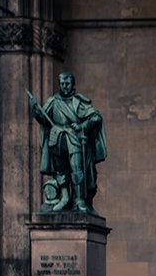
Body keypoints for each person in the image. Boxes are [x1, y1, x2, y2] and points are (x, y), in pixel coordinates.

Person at [28, 72, 107, 214]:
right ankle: (64, 197)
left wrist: (82, 126)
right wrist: (35, 109)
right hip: (57, 138)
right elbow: (43, 119)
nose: (64, 87)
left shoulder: (79, 101)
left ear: (73, 84)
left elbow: (96, 117)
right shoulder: (53, 101)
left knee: (77, 169)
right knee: (61, 170)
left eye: (67, 84)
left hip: (74, 138)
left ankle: (79, 199)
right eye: (62, 84)